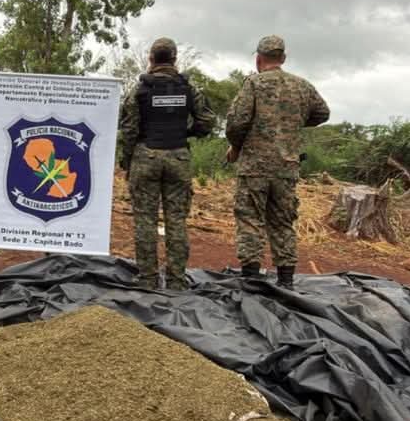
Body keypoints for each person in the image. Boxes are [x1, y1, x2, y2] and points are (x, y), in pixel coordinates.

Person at [225, 34, 330, 289]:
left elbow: (237, 122)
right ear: (282, 58)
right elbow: (322, 112)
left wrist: (236, 147)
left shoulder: (253, 84)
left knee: (250, 220)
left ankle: (250, 278)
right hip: (286, 168)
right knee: (283, 222)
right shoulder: (302, 86)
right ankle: (286, 280)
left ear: (259, 58)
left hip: (254, 168)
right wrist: (293, 122)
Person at [117, 37, 215, 289]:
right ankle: (176, 281)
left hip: (145, 157)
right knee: (176, 221)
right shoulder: (189, 89)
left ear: (151, 59)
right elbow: (207, 121)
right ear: (174, 59)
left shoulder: (139, 90)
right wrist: (186, 133)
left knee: (145, 221)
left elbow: (128, 130)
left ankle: (148, 279)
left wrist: (126, 163)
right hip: (178, 157)